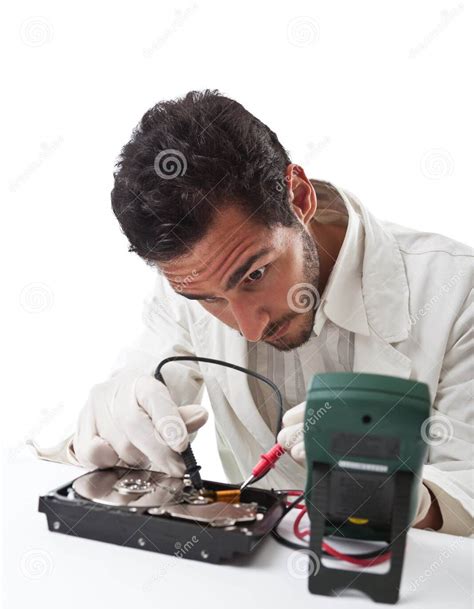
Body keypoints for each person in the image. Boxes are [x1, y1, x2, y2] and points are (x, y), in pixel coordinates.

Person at [35, 89, 473, 536]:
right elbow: (130, 414)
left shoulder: (456, 291)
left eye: (255, 274)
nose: (249, 326)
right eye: (209, 299)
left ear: (299, 198)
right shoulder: (198, 277)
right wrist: (104, 429)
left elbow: (467, 496)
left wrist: (406, 499)